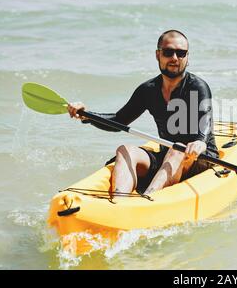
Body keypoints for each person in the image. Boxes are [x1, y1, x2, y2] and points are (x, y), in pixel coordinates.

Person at [67, 30, 218, 196]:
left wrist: (200, 141)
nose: (174, 58)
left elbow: (205, 121)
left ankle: (148, 199)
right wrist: (86, 115)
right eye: (168, 52)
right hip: (167, 158)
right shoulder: (148, 90)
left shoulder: (197, 87)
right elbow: (119, 121)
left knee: (178, 148)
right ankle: (120, 200)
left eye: (181, 53)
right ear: (158, 55)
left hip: (201, 159)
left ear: (187, 57)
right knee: (125, 150)